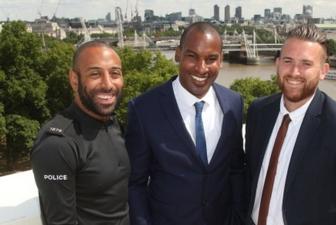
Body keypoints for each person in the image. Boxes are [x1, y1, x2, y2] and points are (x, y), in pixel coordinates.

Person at [245, 24, 336, 225]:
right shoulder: (259, 111)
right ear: (277, 63)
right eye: (288, 61)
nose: (294, 72)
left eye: (306, 64)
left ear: (323, 71)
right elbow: (249, 176)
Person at [125, 22, 245, 225]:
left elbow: (235, 170)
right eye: (192, 56)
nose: (201, 68)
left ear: (221, 60)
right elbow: (134, 184)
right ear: (178, 54)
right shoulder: (144, 109)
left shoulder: (234, 103)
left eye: (211, 59)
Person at [31, 40, 130, 225]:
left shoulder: (114, 125)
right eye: (95, 74)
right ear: (74, 80)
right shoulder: (57, 144)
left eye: (115, 73)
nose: (108, 84)